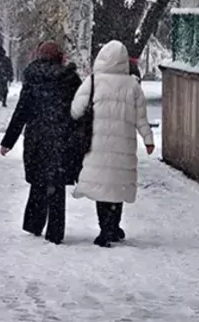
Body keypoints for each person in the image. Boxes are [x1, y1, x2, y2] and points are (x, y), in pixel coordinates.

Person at [70, 40, 155, 248]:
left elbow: (76, 110)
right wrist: (148, 139)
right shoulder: (132, 85)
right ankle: (114, 227)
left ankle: (104, 228)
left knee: (102, 187)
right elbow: (141, 117)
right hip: (123, 146)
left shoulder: (92, 81)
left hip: (97, 144)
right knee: (117, 186)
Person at [0, 41, 82, 244]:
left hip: (37, 138)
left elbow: (22, 111)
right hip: (61, 139)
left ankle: (34, 223)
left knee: (38, 181)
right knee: (57, 186)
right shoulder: (70, 79)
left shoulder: (33, 78)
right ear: (60, 57)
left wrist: (8, 141)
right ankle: (55, 232)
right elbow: (80, 111)